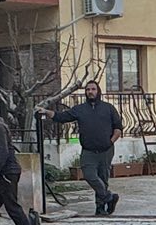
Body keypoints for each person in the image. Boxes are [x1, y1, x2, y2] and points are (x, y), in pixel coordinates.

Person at [52, 80, 123, 214]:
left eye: (93, 89)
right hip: (88, 151)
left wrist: (111, 141)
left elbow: (118, 127)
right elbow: (62, 117)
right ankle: (109, 197)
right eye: (88, 90)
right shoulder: (80, 109)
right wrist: (47, 113)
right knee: (90, 175)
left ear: (98, 91)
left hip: (106, 150)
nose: (90, 92)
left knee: (103, 178)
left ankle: (100, 208)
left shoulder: (108, 108)